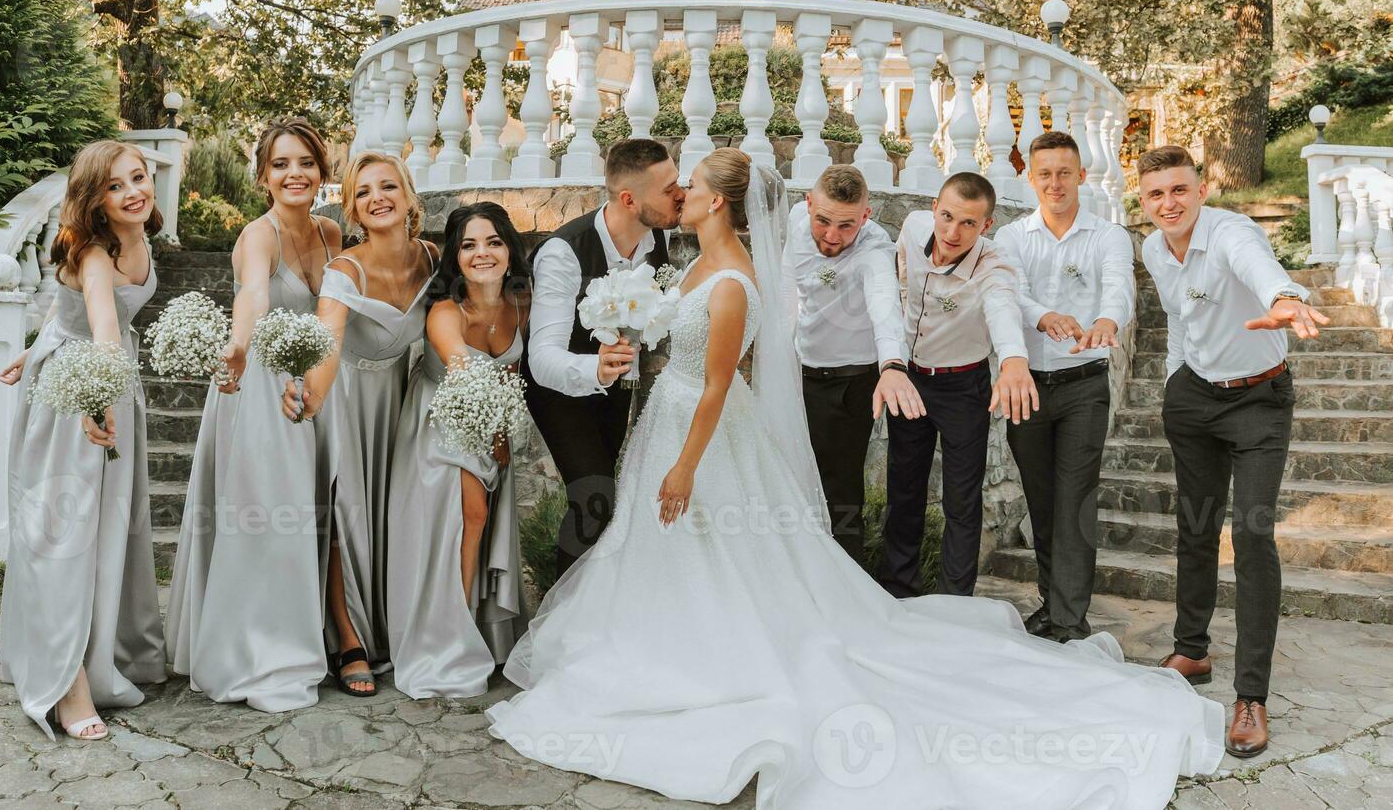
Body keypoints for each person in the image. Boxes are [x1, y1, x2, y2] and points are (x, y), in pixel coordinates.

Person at [486, 147, 1224, 808]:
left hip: (697, 435)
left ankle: (706, 655)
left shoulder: (736, 278)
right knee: (682, 554)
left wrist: (684, 467)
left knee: (717, 548)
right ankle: (654, 640)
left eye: (690, 185)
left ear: (716, 201)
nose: (679, 192)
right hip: (670, 422)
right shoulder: (695, 263)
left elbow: (719, 384)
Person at [1139, 144, 1329, 758]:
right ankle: (1192, 650)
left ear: (1201, 190)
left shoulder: (1231, 232)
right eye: (1155, 194)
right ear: (1144, 202)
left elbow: (1257, 265)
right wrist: (1174, 384)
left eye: (1179, 190)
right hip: (1193, 398)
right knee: (1195, 527)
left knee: (1249, 534)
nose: (1169, 203)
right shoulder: (1150, 249)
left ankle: (1253, 696)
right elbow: (1178, 320)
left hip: (1258, 402)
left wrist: (1284, 298)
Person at [164, 117, 340, 712]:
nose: (295, 174)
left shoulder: (332, 235)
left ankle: (317, 633)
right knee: (267, 519)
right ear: (264, 175)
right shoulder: (256, 235)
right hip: (260, 391)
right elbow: (253, 295)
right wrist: (238, 345)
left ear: (322, 170)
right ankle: (258, 652)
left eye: (306, 163)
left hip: (317, 386)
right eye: (282, 164)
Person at [0, 140, 166, 739]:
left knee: (107, 531)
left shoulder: (140, 238)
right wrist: (94, 400)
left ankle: (102, 656)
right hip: (79, 396)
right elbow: (98, 324)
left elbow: (62, 311)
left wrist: (32, 346)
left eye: (139, 178)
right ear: (93, 199)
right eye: (116, 186)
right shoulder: (93, 253)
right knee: (63, 534)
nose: (133, 193)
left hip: (109, 379)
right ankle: (66, 687)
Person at [278, 152, 438, 697]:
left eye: (388, 186)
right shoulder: (345, 269)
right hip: (343, 396)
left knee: (392, 514)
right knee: (344, 513)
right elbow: (327, 341)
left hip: (400, 400)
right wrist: (311, 400)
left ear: (410, 196)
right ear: (351, 209)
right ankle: (346, 639)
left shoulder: (434, 259)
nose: (378, 198)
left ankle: (397, 624)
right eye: (364, 192)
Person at [994, 131, 1136, 642]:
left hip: (1083, 386)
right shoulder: (1011, 238)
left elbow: (1120, 286)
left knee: (1074, 500)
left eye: (1064, 172)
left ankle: (1070, 621)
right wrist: (1044, 316)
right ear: (1031, 179)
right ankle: (1053, 604)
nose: (1055, 182)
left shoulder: (1108, 235)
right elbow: (1012, 293)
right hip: (1026, 388)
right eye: (1045, 173)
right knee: (1042, 500)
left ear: (1079, 175)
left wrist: (1106, 322)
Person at [387, 202, 531, 698]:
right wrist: (491, 435)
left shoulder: (521, 304)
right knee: (470, 514)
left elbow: (511, 372)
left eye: (493, 241)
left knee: (485, 521)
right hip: (443, 422)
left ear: (510, 250)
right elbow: (463, 372)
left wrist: (500, 436)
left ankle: (474, 627)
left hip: (492, 424)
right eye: (468, 245)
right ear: (456, 257)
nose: (482, 253)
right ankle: (450, 637)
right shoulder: (447, 312)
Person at [523, 137, 683, 576]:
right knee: (594, 499)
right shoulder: (563, 252)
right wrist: (594, 367)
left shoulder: (657, 238)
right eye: (668, 188)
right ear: (629, 199)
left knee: (606, 501)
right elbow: (542, 358)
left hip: (615, 387)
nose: (680, 194)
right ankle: (559, 622)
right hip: (558, 388)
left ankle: (595, 604)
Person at [885, 172, 1038, 598]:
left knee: (962, 500)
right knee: (904, 489)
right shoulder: (914, 226)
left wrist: (1013, 360)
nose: (952, 232)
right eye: (947, 216)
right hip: (911, 381)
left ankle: (955, 600)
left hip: (962, 387)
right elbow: (899, 278)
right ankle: (899, 588)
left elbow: (1003, 307)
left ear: (986, 226)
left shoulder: (996, 264)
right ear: (934, 207)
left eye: (968, 223)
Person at [781, 164, 912, 564]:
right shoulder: (794, 221)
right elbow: (788, 288)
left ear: (866, 217)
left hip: (853, 382)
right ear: (807, 205)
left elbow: (884, 302)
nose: (832, 236)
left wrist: (893, 365)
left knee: (841, 489)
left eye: (846, 226)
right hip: (798, 374)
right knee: (792, 482)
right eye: (823, 221)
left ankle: (847, 581)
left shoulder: (875, 247)